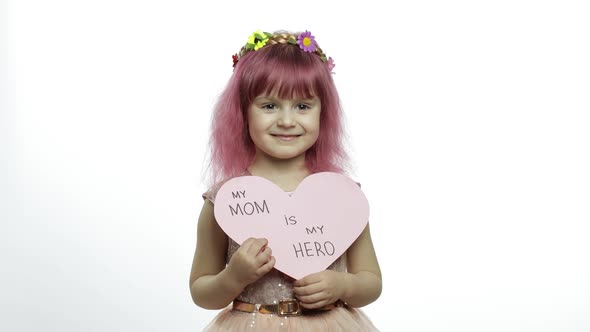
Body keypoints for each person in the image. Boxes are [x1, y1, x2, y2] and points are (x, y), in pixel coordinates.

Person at [189, 29, 382, 331]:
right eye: (269, 106)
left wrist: (342, 285)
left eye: (303, 106)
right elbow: (200, 290)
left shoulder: (342, 195)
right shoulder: (225, 199)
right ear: (242, 112)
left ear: (323, 112)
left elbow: (371, 280)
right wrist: (233, 277)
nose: (287, 120)